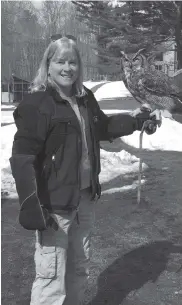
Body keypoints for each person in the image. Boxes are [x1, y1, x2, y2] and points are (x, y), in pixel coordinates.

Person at [10, 36, 161, 305]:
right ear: (48, 64)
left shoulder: (84, 98)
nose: (67, 68)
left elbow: (102, 127)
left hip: (84, 199)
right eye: (60, 61)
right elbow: (22, 157)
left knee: (79, 269)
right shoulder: (38, 103)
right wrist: (30, 202)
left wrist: (136, 120)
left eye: (72, 62)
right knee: (51, 276)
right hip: (53, 205)